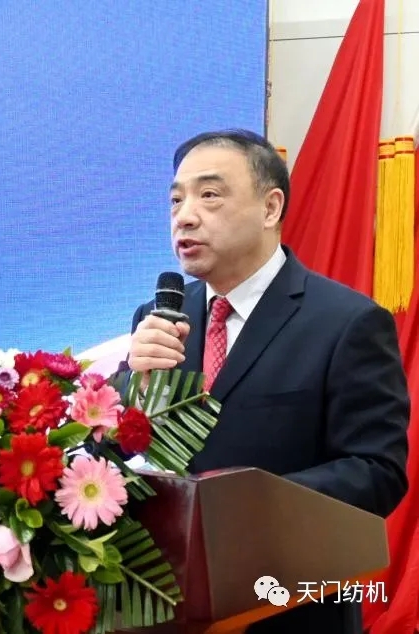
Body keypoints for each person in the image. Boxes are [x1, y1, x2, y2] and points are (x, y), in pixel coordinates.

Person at [125, 129, 410, 634]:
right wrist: (130, 389)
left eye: (209, 195)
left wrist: (236, 506)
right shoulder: (159, 319)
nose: (184, 216)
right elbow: (117, 455)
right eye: (176, 200)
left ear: (270, 207)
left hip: (287, 609)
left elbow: (376, 471)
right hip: (162, 607)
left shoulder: (347, 322)